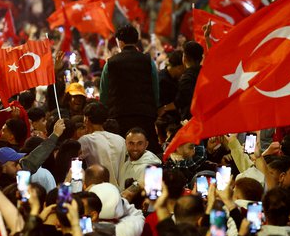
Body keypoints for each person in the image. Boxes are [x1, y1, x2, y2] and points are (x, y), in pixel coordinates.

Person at [100, 25, 161, 155]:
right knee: (148, 155)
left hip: (119, 116)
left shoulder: (110, 63)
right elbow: (156, 90)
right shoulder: (148, 61)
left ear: (120, 42)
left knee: (123, 155)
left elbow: (104, 94)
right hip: (145, 115)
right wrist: (154, 108)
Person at [78, 102, 127, 189]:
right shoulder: (121, 139)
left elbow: (72, 160)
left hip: (98, 190)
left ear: (86, 120)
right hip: (120, 191)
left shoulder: (86, 140)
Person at [174, 41, 203, 121]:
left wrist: (165, 108)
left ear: (185, 57)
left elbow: (181, 100)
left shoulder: (187, 78)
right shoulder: (206, 73)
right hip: (205, 117)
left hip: (190, 120)